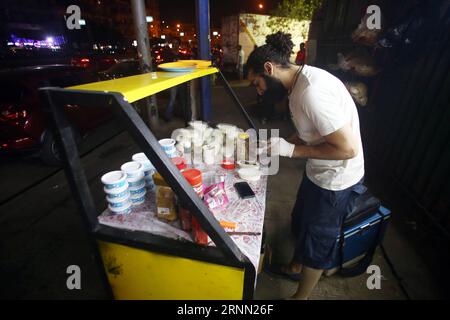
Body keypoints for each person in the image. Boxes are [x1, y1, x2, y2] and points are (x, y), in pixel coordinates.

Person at [247, 32, 365, 300]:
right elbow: (312, 129)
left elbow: (347, 149)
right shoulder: (298, 83)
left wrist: (291, 151)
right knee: (301, 221)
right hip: (317, 170)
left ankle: (301, 297)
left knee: (318, 239)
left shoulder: (312, 92)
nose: (259, 91)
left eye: (257, 84)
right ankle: (295, 265)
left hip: (337, 180)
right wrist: (284, 142)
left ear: (269, 69)